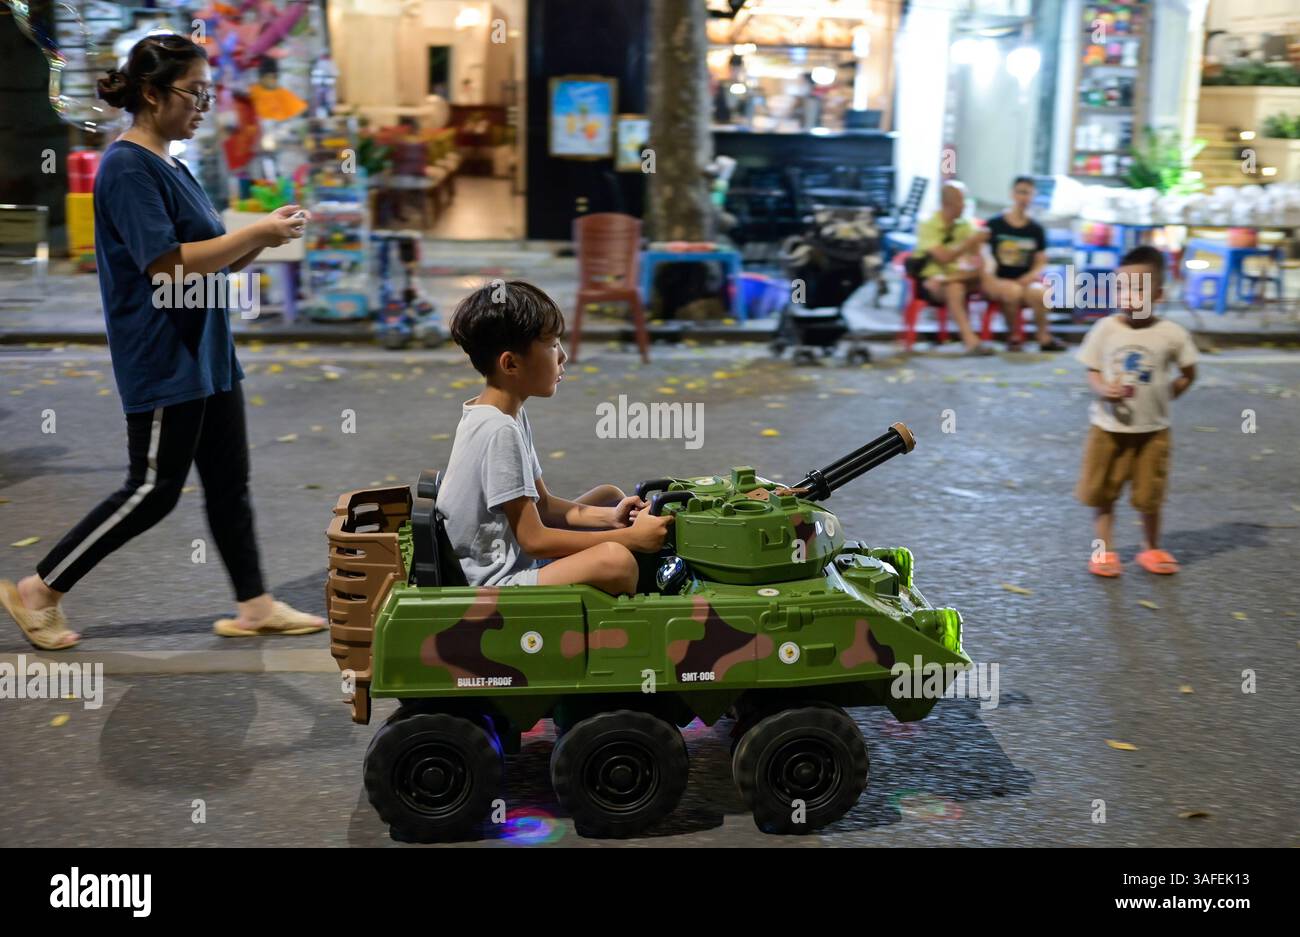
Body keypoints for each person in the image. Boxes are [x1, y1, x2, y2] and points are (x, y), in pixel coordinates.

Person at [0, 34, 324, 650]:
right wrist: (252, 231)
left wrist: (265, 237)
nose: (203, 105)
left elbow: (208, 264)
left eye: (208, 93)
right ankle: (40, 589)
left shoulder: (173, 163)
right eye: (193, 93)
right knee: (152, 489)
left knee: (230, 481)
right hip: (163, 353)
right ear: (151, 93)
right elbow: (166, 267)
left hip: (206, 349)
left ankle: (254, 606)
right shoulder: (126, 168)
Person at [440, 281, 672, 595]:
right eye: (551, 345)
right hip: (496, 582)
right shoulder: (499, 431)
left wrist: (611, 519)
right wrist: (629, 539)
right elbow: (534, 540)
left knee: (608, 496)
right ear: (511, 363)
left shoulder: (504, 413)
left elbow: (544, 505)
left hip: (513, 556)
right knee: (616, 560)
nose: (562, 355)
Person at [1075, 246, 1197, 578]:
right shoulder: (1105, 329)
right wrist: (1103, 389)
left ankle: (1151, 548)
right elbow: (1093, 370)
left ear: (1158, 294)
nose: (1128, 295)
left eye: (1138, 288)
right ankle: (1104, 551)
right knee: (1103, 492)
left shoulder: (1171, 334)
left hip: (1153, 430)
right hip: (1108, 428)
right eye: (1122, 287)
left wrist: (1171, 393)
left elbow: (1189, 371)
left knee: (1150, 495)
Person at [981, 176, 1065, 351]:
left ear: (1033, 196)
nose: (1023, 197)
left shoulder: (1036, 229)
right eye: (1020, 192)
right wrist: (989, 275)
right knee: (1012, 291)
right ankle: (1014, 336)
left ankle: (1044, 337)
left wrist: (1030, 276)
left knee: (1040, 293)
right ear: (1012, 194)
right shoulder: (994, 224)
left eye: (1028, 193)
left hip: (1025, 281)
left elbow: (1041, 260)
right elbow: (983, 253)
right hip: (999, 282)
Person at [914, 181, 994, 355]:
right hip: (932, 281)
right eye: (961, 201)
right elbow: (943, 258)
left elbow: (978, 259)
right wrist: (970, 242)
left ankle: (976, 338)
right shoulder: (929, 224)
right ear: (947, 204)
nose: (965, 205)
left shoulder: (966, 224)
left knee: (982, 274)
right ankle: (971, 340)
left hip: (958, 277)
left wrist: (977, 246)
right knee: (954, 288)